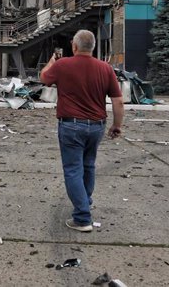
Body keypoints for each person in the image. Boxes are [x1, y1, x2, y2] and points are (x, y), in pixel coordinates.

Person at [40, 30, 125, 232]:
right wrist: (117, 125)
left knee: (72, 170)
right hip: (97, 126)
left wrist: (53, 60)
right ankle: (85, 202)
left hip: (71, 125)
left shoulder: (62, 65)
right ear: (93, 47)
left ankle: (82, 218)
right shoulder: (105, 68)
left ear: (74, 46)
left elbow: (44, 78)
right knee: (88, 166)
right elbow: (118, 100)